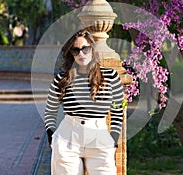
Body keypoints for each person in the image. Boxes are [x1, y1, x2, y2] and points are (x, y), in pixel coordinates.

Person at [44, 29, 124, 175]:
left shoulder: (111, 76)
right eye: (76, 50)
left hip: (99, 138)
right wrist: (52, 137)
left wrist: (113, 139)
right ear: (71, 54)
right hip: (68, 138)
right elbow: (50, 111)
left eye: (85, 49)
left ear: (92, 49)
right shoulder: (62, 79)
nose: (81, 54)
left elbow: (117, 110)